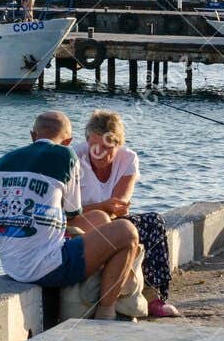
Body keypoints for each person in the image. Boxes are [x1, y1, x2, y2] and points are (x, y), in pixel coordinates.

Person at [0, 110, 142, 319]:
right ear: (68, 140)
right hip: (48, 265)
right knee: (127, 232)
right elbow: (72, 214)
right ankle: (106, 311)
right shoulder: (65, 156)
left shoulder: (3, 162)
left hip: (11, 265)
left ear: (33, 135)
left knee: (100, 220)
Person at [72, 110, 179, 318]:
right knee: (104, 221)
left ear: (118, 144)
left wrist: (108, 209)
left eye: (107, 147)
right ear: (87, 140)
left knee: (153, 222)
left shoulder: (128, 158)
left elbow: (119, 207)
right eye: (93, 145)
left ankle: (154, 297)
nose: (99, 153)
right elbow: (67, 211)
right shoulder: (74, 157)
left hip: (114, 222)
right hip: (80, 223)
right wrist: (103, 206)